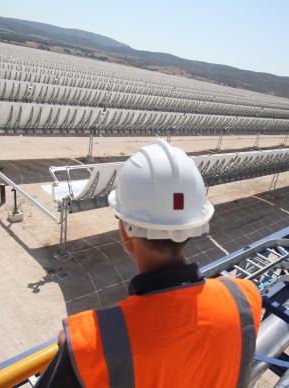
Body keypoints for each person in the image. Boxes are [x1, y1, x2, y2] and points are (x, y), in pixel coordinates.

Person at [36, 139, 262, 388]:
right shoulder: (244, 297)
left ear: (124, 231)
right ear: (193, 227)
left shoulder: (89, 344)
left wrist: (72, 351)